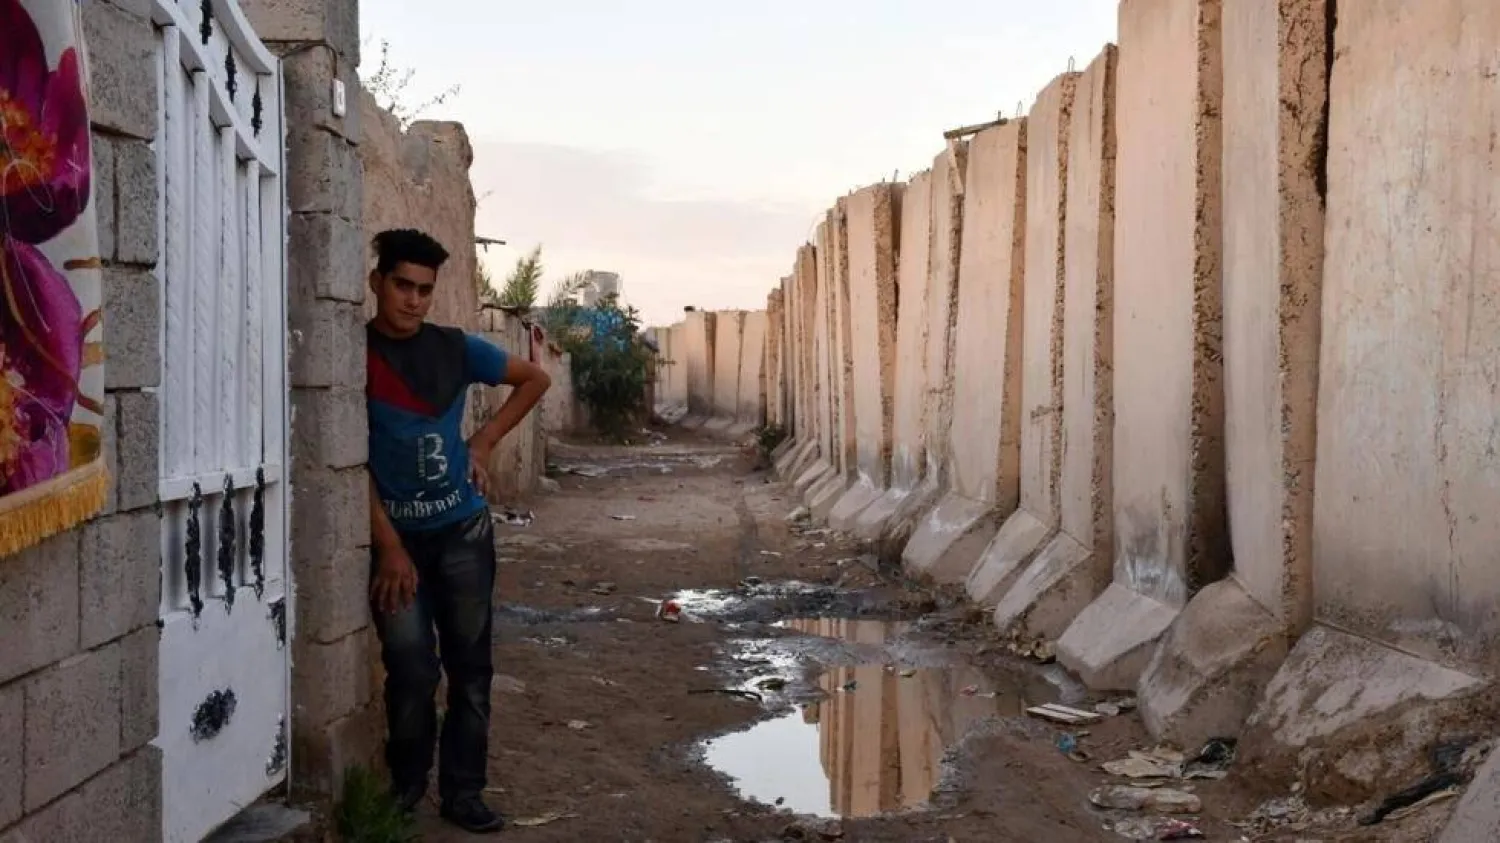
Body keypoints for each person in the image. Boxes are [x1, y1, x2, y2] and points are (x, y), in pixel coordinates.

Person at [364, 228, 551, 833]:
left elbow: (534, 380)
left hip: (464, 533)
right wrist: (389, 544)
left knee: (471, 669)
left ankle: (464, 793)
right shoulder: (353, 355)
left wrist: (486, 440)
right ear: (378, 283)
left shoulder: (455, 348)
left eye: (424, 289)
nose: (413, 300)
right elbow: (346, 461)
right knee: (413, 668)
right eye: (402, 286)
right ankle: (407, 786)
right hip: (399, 545)